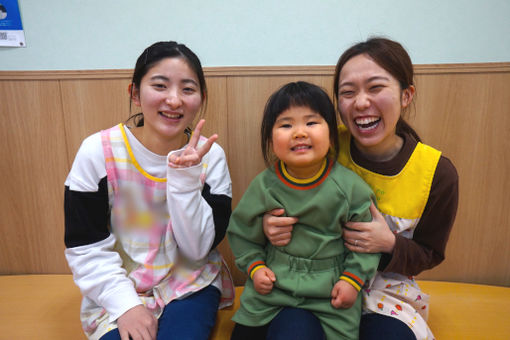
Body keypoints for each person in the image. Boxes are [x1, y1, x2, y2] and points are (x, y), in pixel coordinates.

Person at [263, 37, 459, 340]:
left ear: (406, 95)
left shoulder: (437, 173)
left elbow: (429, 253)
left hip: (385, 293)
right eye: (348, 92)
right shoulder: (322, 146)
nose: (361, 102)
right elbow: (277, 195)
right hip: (313, 283)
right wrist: (271, 224)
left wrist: (389, 244)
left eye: (376, 87)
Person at [64, 41, 234, 340]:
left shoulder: (211, 156)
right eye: (160, 85)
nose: (174, 100)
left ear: (201, 98)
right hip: (118, 285)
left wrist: (183, 178)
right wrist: (127, 306)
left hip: (190, 282)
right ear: (135, 93)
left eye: (187, 89)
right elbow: (84, 246)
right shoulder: (97, 152)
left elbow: (197, 250)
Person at [227, 81, 381, 340]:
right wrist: (255, 267)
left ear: (332, 134)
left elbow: (365, 244)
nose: (299, 133)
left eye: (311, 123)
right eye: (286, 125)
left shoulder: (350, 187)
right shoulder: (264, 185)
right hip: (273, 286)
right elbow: (242, 232)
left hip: (329, 291)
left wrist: (352, 280)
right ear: (270, 139)